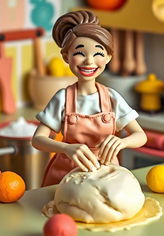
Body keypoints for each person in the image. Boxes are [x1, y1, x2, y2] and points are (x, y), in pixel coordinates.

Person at [32, 10, 147, 187]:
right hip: (64, 176)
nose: (89, 61)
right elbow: (38, 139)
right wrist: (66, 148)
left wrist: (122, 142)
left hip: (105, 175)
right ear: (66, 57)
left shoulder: (112, 97)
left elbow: (140, 136)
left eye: (98, 54)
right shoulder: (62, 98)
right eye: (80, 53)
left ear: (108, 57)